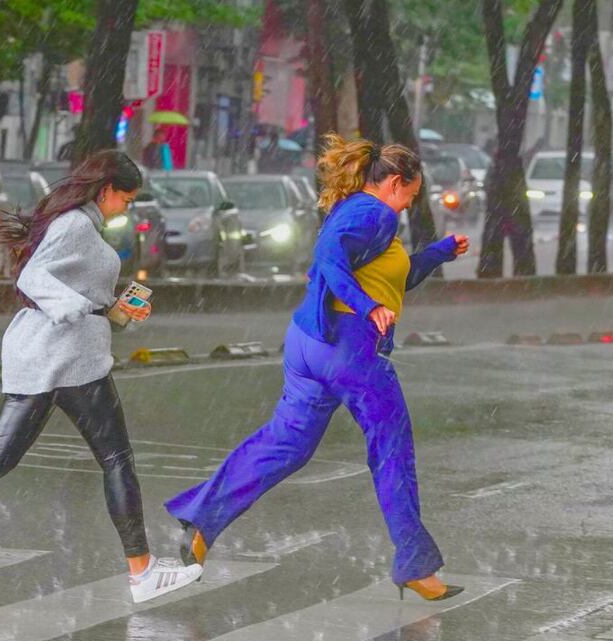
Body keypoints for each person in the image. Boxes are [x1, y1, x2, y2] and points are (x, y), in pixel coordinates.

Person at [164, 134, 471, 601]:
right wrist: (368, 308)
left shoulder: (356, 212)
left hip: (309, 343)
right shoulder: (375, 214)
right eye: (410, 193)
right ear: (392, 183)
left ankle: (203, 521)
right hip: (350, 347)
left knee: (286, 443)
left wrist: (441, 251)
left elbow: (395, 278)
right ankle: (414, 562)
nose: (409, 205)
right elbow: (329, 261)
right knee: (391, 451)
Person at [0, 150, 202, 604]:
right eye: (127, 198)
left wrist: (115, 312)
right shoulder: (77, 224)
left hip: (46, 356)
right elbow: (36, 278)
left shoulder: (80, 226)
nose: (128, 207)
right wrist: (77, 308)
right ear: (107, 190)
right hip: (70, 360)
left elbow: (73, 292)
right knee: (116, 459)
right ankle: (141, 572)